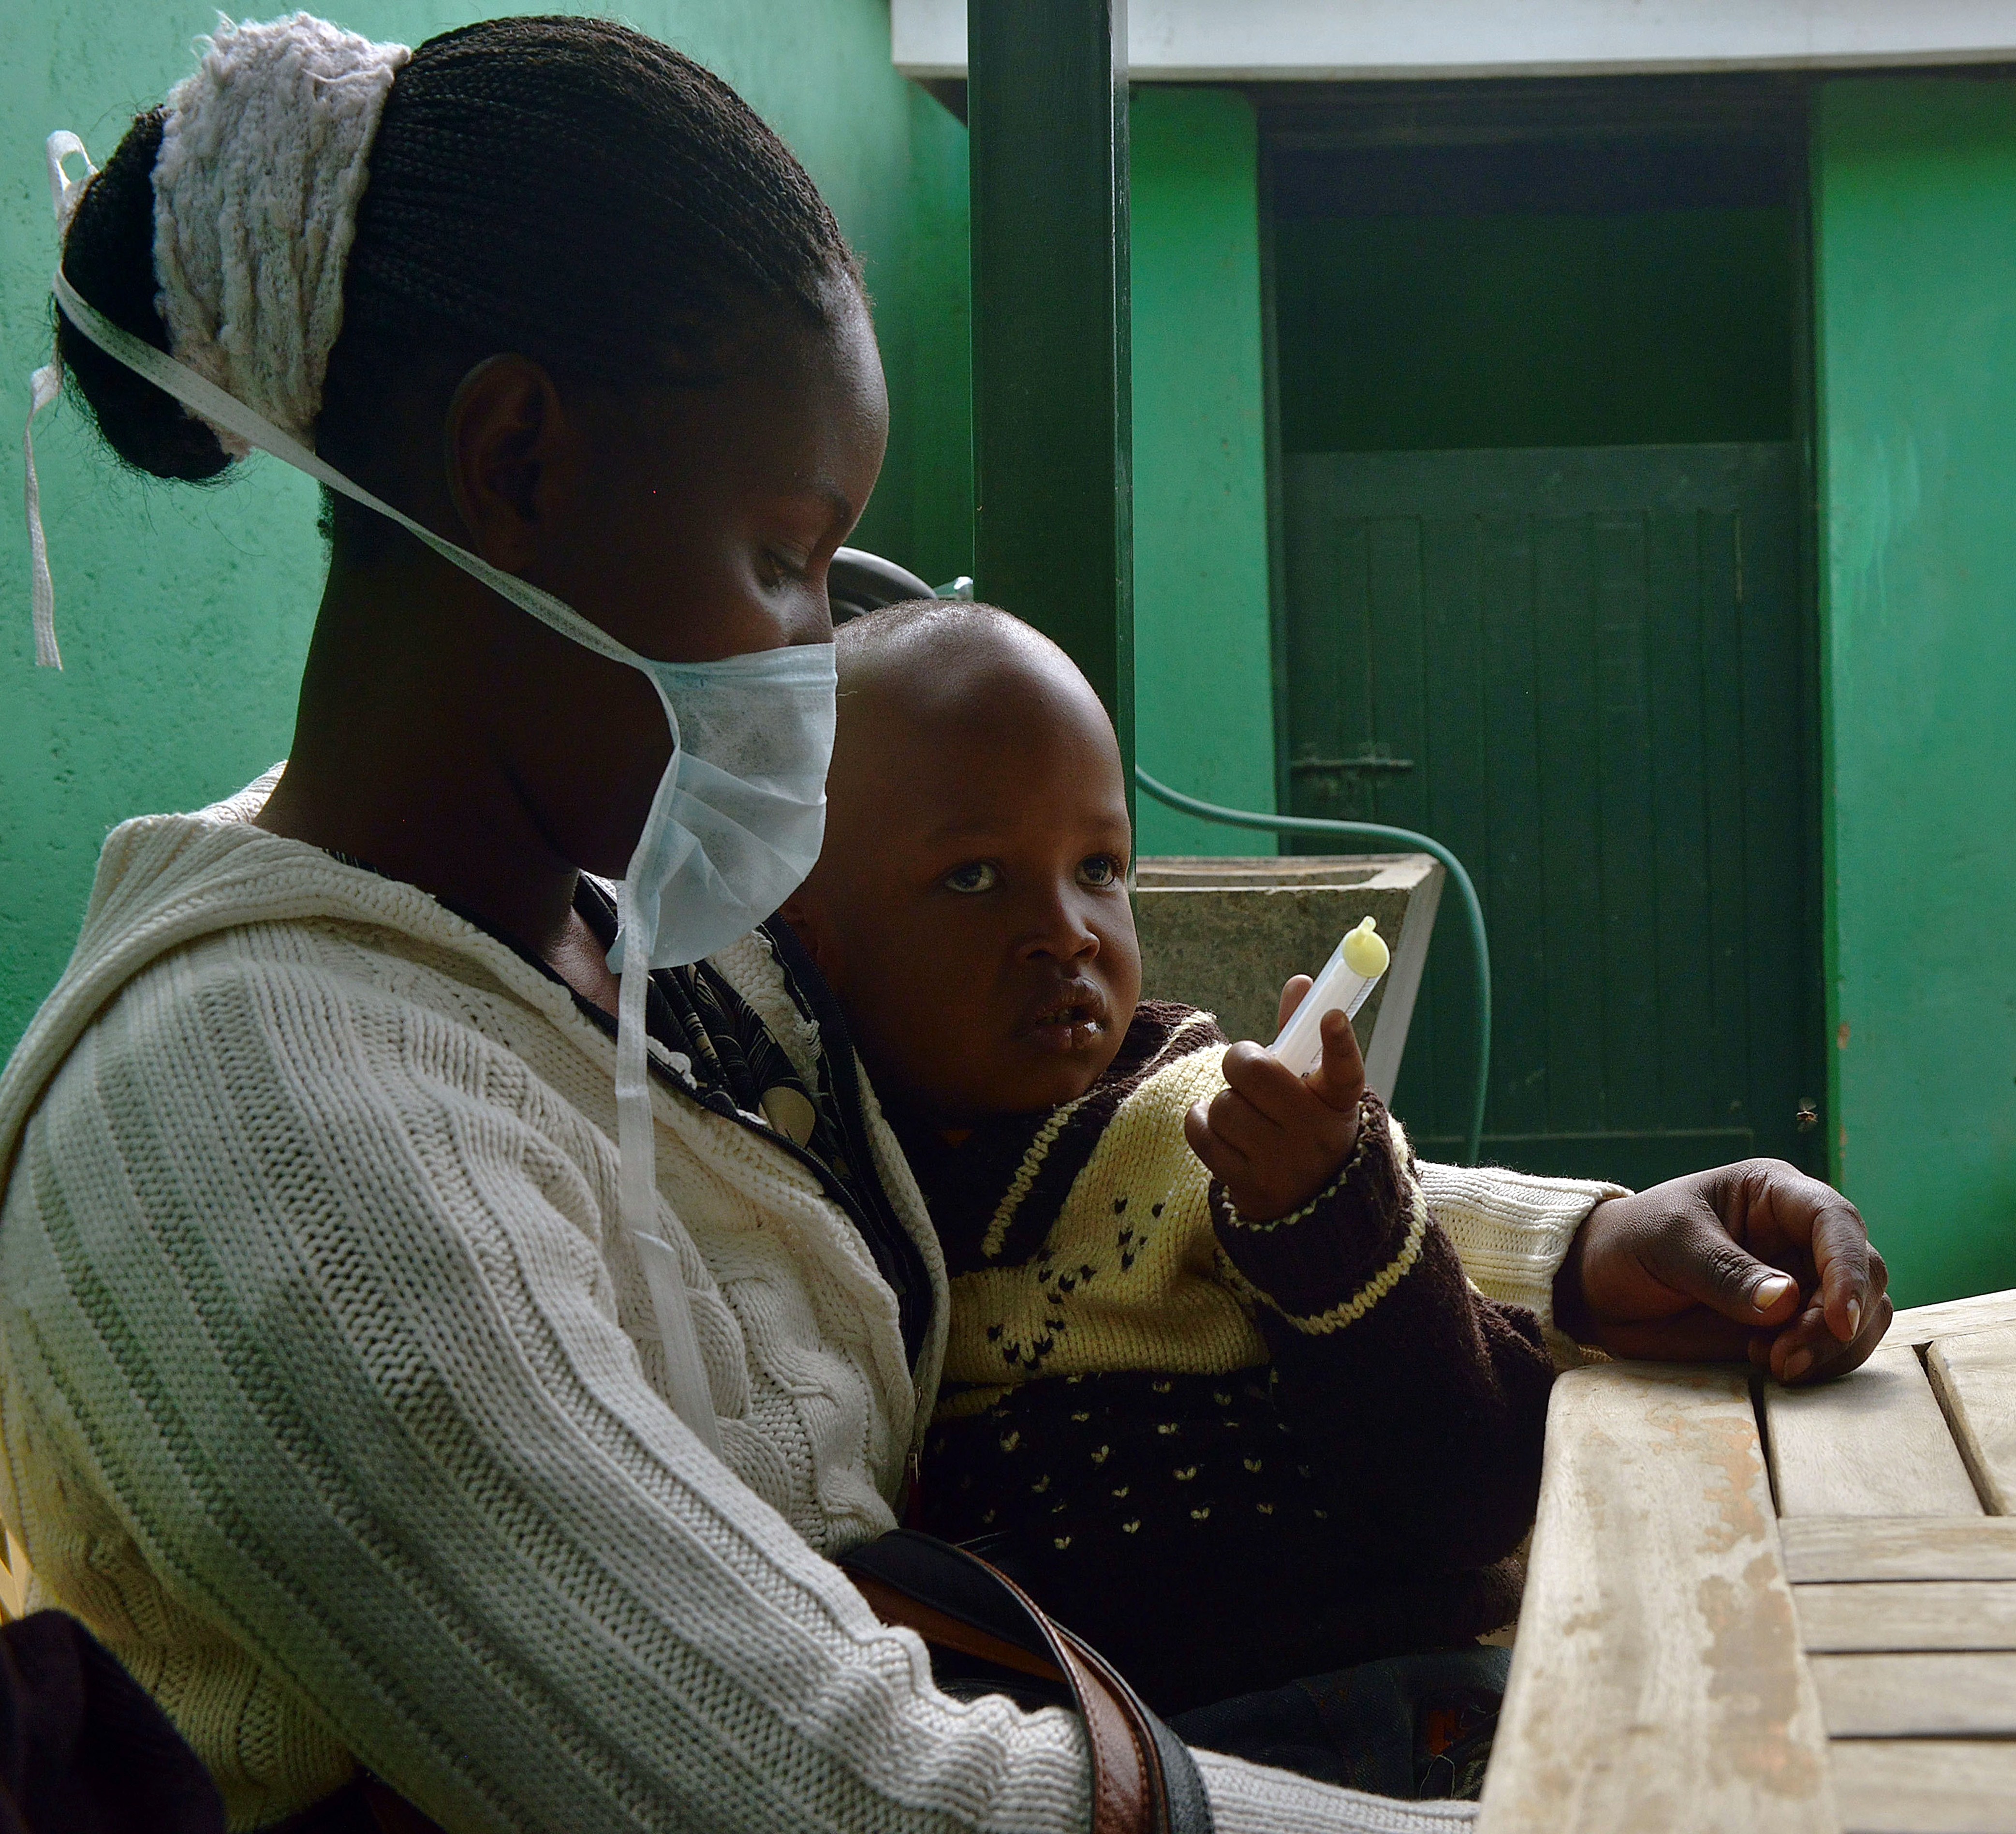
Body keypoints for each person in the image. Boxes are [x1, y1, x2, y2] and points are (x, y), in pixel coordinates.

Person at [0, 15, 1890, 1834]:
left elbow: (1095, 1170)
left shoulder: (646, 915)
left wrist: (1576, 1253)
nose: (824, 667)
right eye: (784, 557)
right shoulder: (263, 1137)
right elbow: (832, 1793)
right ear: (515, 465)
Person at [778, 602, 1553, 1730]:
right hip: (1115, 1747)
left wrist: (1329, 1217)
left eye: (1099, 866)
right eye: (973, 880)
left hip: (1397, 1697)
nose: (1069, 930)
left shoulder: (1223, 1134)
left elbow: (1476, 1487)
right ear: (811, 937)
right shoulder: (817, 1184)